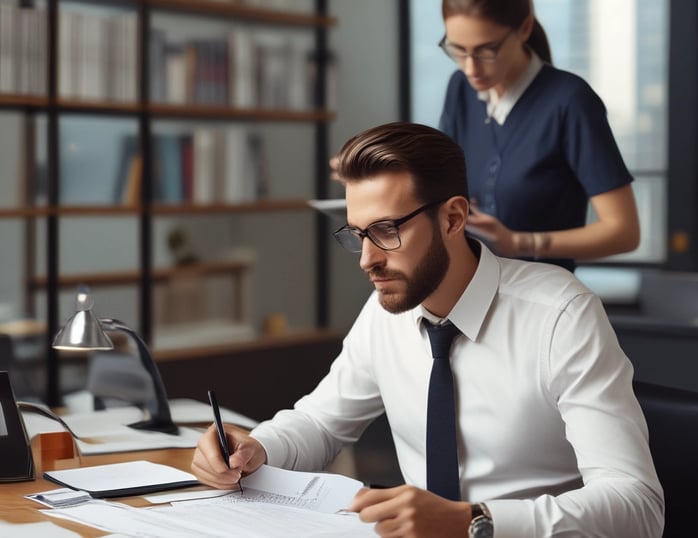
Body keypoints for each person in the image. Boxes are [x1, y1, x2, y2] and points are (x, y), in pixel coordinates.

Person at [192, 122, 663, 537]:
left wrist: (475, 523)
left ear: (454, 218)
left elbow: (637, 506)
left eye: (386, 230)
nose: (368, 259)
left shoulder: (560, 315)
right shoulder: (384, 311)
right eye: (357, 234)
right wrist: (255, 448)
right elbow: (320, 422)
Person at [438, 0, 640, 272]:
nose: (471, 68)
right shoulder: (459, 88)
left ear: (525, 28)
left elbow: (624, 232)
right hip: (467, 289)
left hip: (543, 300)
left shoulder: (571, 102)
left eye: (487, 50)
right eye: (458, 50)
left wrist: (521, 242)